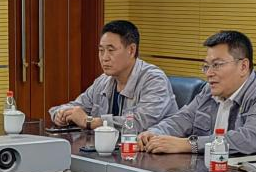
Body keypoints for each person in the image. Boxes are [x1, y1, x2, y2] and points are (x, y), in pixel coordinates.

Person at [137, 30, 256, 156]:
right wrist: (155, 132)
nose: (209, 73)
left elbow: (250, 139)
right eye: (206, 66)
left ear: (243, 67)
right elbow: (183, 118)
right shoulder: (209, 90)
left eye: (217, 65)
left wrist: (188, 144)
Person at [48, 20, 178, 132]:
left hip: (149, 152)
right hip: (110, 150)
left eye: (111, 50)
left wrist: (90, 122)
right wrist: (61, 115)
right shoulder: (103, 81)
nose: (104, 58)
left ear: (131, 50)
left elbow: (139, 123)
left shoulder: (154, 80)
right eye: (101, 50)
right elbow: (74, 107)